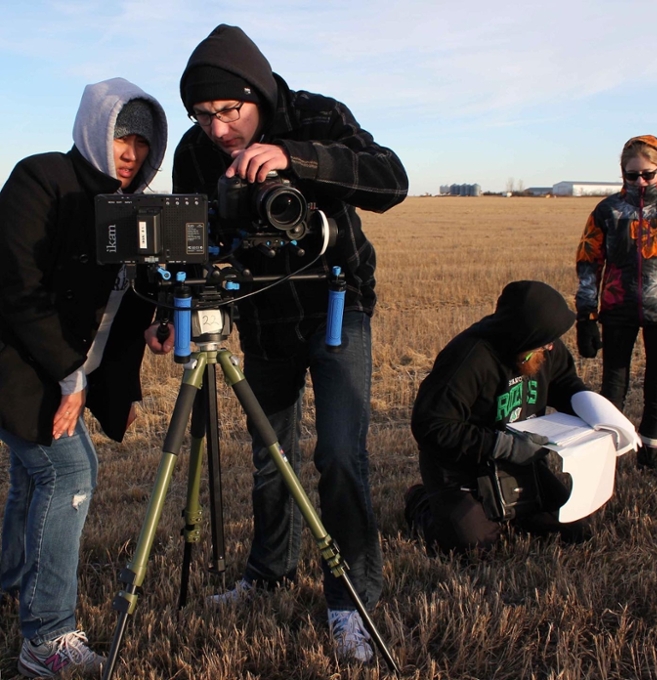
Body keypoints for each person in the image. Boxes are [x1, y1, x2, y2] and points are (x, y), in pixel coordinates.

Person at [155, 23, 408, 663]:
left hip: (336, 304)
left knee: (340, 456)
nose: (217, 130)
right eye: (202, 115)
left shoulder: (317, 115)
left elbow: (391, 180)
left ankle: (351, 602)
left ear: (258, 93)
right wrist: (167, 307)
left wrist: (294, 158)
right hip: (261, 318)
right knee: (272, 457)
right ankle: (267, 573)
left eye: (228, 111)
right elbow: (190, 242)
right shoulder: (194, 153)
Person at [0, 78, 167, 678]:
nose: (132, 152)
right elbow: (16, 287)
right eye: (122, 136)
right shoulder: (41, 179)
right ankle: (46, 637)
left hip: (65, 370)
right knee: (68, 470)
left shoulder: (133, 209)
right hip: (19, 362)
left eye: (143, 143)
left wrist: (155, 333)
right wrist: (71, 376)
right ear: (96, 130)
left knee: (31, 475)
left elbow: (129, 301)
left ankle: (13, 584)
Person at [407, 281, 596, 556]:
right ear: (524, 337)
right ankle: (421, 502)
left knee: (573, 529)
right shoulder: (470, 357)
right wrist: (503, 446)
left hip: (520, 462)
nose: (552, 347)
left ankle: (515, 507)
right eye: (544, 341)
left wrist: (593, 409)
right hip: (462, 465)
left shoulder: (547, 346)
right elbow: (431, 425)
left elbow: (565, 383)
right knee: (472, 548)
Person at [575, 135, 657, 474]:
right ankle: (608, 455)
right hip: (617, 309)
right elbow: (589, 264)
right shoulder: (607, 211)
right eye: (632, 175)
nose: (639, 182)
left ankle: (650, 456)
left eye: (647, 174)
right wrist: (586, 316)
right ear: (622, 173)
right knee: (613, 388)